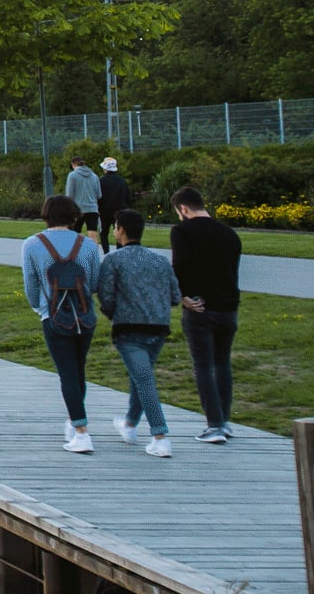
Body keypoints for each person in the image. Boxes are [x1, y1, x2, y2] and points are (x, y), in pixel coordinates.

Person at [21, 194, 103, 453]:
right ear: (73, 215)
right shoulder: (88, 245)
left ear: (46, 214)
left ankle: (81, 432)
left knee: (66, 373)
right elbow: (95, 282)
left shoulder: (32, 244)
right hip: (84, 316)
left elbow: (31, 284)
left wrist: (39, 307)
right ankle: (74, 419)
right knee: (78, 371)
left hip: (54, 316)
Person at [95, 209, 180, 458]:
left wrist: (113, 313)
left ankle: (160, 435)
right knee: (141, 376)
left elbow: (107, 296)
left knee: (144, 380)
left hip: (129, 330)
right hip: (158, 328)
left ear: (120, 230)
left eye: (115, 227)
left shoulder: (113, 260)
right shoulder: (161, 261)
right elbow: (175, 296)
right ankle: (130, 424)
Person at [169, 186, 242, 443]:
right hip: (228, 307)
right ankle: (225, 419)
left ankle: (214, 425)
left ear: (184, 209)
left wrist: (184, 296)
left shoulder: (182, 231)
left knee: (203, 365)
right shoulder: (229, 234)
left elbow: (180, 266)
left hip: (200, 307)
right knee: (223, 363)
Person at [64, 158, 103, 253]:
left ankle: (75, 255)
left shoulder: (72, 175)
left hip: (77, 209)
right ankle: (94, 256)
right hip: (92, 209)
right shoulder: (94, 176)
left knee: (74, 234)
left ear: (73, 165)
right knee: (93, 234)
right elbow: (99, 195)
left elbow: (69, 195)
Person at [96, 158, 130, 251]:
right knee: (119, 231)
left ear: (105, 168)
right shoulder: (122, 181)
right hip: (119, 210)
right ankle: (119, 251)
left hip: (104, 211)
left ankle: (106, 252)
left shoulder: (101, 181)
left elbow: (98, 196)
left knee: (103, 233)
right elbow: (127, 196)